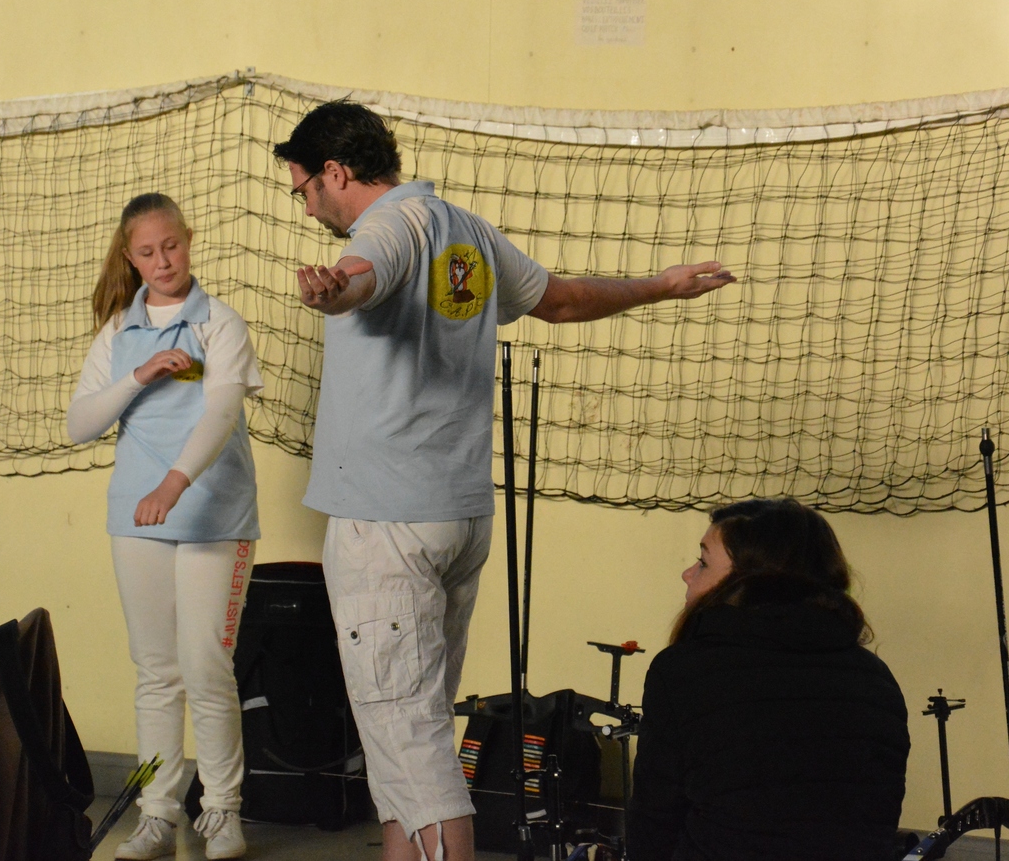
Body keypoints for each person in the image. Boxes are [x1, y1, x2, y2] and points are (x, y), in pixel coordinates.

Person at [276, 101, 737, 861]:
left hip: (387, 527)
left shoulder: (385, 228)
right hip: (457, 518)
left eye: (305, 190)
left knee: (418, 764)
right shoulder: (467, 231)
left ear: (335, 171)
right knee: (411, 746)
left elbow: (364, 273)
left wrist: (337, 287)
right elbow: (561, 300)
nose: (307, 207)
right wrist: (659, 285)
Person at [67, 194, 262, 861]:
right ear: (130, 257)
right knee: (156, 672)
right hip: (136, 519)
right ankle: (156, 813)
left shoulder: (219, 324)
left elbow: (221, 413)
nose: (163, 261)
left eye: (171, 246)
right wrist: (139, 375)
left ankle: (223, 810)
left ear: (188, 239)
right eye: (147, 252)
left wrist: (174, 484)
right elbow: (80, 423)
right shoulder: (117, 333)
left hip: (214, 516)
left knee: (206, 666)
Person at [626, 497, 911, 861]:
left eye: (703, 562)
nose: (687, 573)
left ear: (750, 580)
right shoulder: (876, 679)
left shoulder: (683, 671)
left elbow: (654, 824)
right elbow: (875, 822)